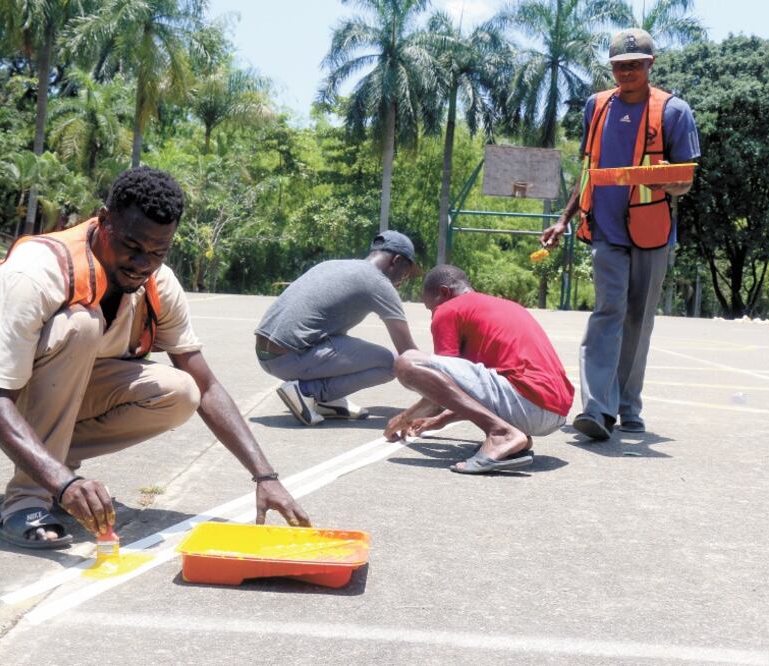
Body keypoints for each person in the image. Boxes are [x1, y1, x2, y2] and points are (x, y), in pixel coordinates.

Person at [0, 166, 309, 549]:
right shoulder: (37, 273)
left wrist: (265, 476)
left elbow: (206, 387)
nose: (143, 263)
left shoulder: (158, 282)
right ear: (104, 220)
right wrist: (64, 483)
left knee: (181, 391)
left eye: (158, 252)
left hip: (63, 401)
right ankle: (27, 501)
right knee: (81, 325)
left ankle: (45, 460)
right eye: (132, 246)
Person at [541, 28, 700, 440]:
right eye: (619, 66)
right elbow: (589, 168)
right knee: (606, 314)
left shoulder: (673, 111)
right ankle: (597, 409)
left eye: (634, 65)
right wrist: (564, 219)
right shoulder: (596, 107)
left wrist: (666, 181)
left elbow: (686, 180)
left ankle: (628, 407)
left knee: (638, 320)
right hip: (606, 231)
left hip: (652, 232)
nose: (626, 72)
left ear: (650, 65)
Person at [384, 265, 573, 474]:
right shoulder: (505, 306)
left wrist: (404, 419)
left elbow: (438, 389)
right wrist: (440, 421)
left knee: (408, 363)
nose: (433, 315)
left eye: (431, 308)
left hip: (527, 401)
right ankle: (512, 437)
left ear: (445, 292)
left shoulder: (449, 309)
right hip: (554, 412)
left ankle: (502, 434)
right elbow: (465, 390)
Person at [255, 230, 421, 426]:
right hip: (290, 357)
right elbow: (408, 354)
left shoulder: (333, 265)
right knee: (391, 363)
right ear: (396, 260)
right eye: (407, 271)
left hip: (266, 353)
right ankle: (308, 391)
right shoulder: (378, 283)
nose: (405, 278)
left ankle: (327, 402)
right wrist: (441, 394)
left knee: (346, 343)